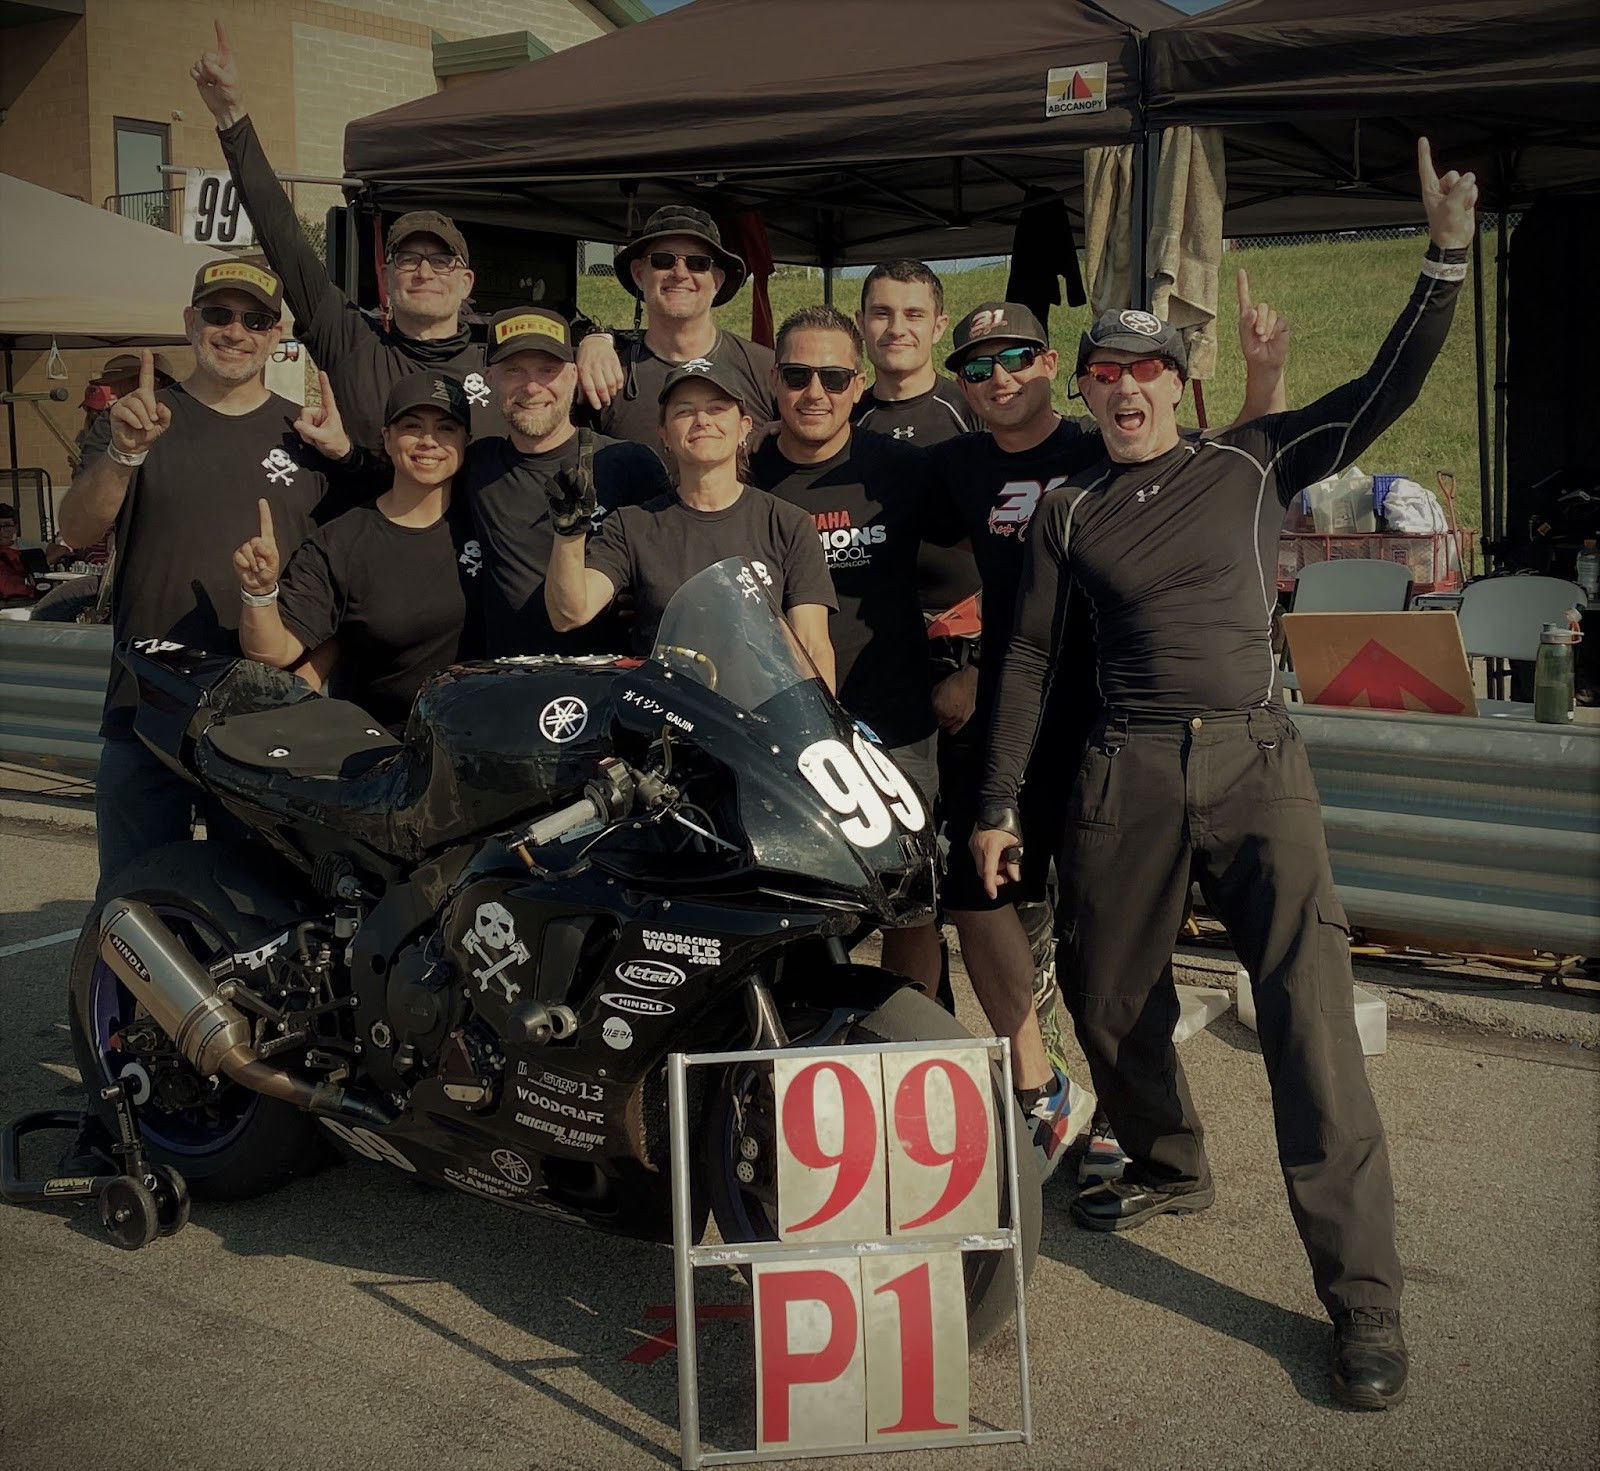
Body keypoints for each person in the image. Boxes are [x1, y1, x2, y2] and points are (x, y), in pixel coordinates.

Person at [972, 138, 1477, 1411]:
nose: (1125, 389)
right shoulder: (1067, 511)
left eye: (1145, 368)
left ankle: (1361, 1305)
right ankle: (1169, 1157)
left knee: (1309, 1025)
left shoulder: (1251, 457)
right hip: (1123, 767)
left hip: (1256, 760)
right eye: (1103, 372)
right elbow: (1027, 660)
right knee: (1103, 991)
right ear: (1084, 392)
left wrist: (1445, 261)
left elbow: (1383, 390)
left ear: (1180, 379)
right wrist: (990, 806)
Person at [935, 282, 1289, 1184]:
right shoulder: (960, 464)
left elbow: (1244, 460)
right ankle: (1040, 1080)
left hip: (1115, 729)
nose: (998, 376)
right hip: (1019, 714)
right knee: (989, 903)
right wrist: (951, 656)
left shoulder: (1105, 435)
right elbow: (915, 573)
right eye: (978, 366)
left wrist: (1266, 375)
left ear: (1058, 369)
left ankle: (1132, 1127)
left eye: (1017, 357)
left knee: (1111, 954)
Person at [58, 261, 337, 892]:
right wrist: (126, 454)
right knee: (133, 903)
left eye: (255, 319)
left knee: (265, 910)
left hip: (265, 718)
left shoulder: (309, 436)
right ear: (190, 323)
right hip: (145, 709)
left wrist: (313, 678)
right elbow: (75, 530)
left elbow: (337, 583)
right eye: (218, 314)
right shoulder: (135, 421)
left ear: (277, 334)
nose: (235, 331)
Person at [745, 303, 966, 997]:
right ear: (775, 381)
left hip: (893, 721)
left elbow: (990, 566)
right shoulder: (741, 470)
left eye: (835, 377)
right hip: (775, 730)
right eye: (798, 374)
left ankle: (907, 1040)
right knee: (786, 902)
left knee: (909, 903)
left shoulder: (902, 469)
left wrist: (976, 668)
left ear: (859, 383)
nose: (816, 392)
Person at [191, 19, 503, 452]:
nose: (425, 271)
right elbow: (281, 235)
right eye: (409, 259)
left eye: (441, 260)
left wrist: (597, 344)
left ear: (466, 281)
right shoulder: (351, 341)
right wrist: (231, 116)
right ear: (388, 277)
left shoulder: (499, 360)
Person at [544, 359, 834, 682]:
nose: (702, 421)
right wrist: (569, 534)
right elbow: (568, 613)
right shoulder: (632, 525)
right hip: (667, 725)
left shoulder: (788, 524)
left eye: (718, 408)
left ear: (745, 427)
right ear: (664, 435)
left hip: (761, 725)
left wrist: (818, 731)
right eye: (684, 411)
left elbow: (813, 645)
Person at [234, 373, 481, 733]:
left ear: (466, 442)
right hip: (380, 752)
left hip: (486, 744)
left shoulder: (490, 522)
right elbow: (273, 652)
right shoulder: (340, 541)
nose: (429, 441)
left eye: (446, 428)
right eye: (412, 426)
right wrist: (258, 594)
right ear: (387, 438)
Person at [463, 307, 670, 656]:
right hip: (510, 685)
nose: (532, 387)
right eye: (514, 370)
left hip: (611, 686)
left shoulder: (629, 463)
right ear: (488, 378)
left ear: (573, 376)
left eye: (548, 370)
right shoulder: (476, 466)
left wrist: (652, 599)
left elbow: (677, 554)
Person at [572, 206, 776, 457]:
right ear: (639, 274)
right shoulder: (605, 372)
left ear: (718, 280)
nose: (679, 273)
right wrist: (592, 338)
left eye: (698, 263)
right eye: (663, 260)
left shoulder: (766, 370)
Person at [853, 259, 979, 444]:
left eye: (914, 315)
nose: (897, 329)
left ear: (938, 328)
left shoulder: (976, 410)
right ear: (862, 324)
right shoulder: (843, 420)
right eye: (882, 313)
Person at [0, 503, 41, 604]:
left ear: (15, 527)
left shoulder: (27, 549)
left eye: (6, 525)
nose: (1, 531)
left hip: (26, 600)